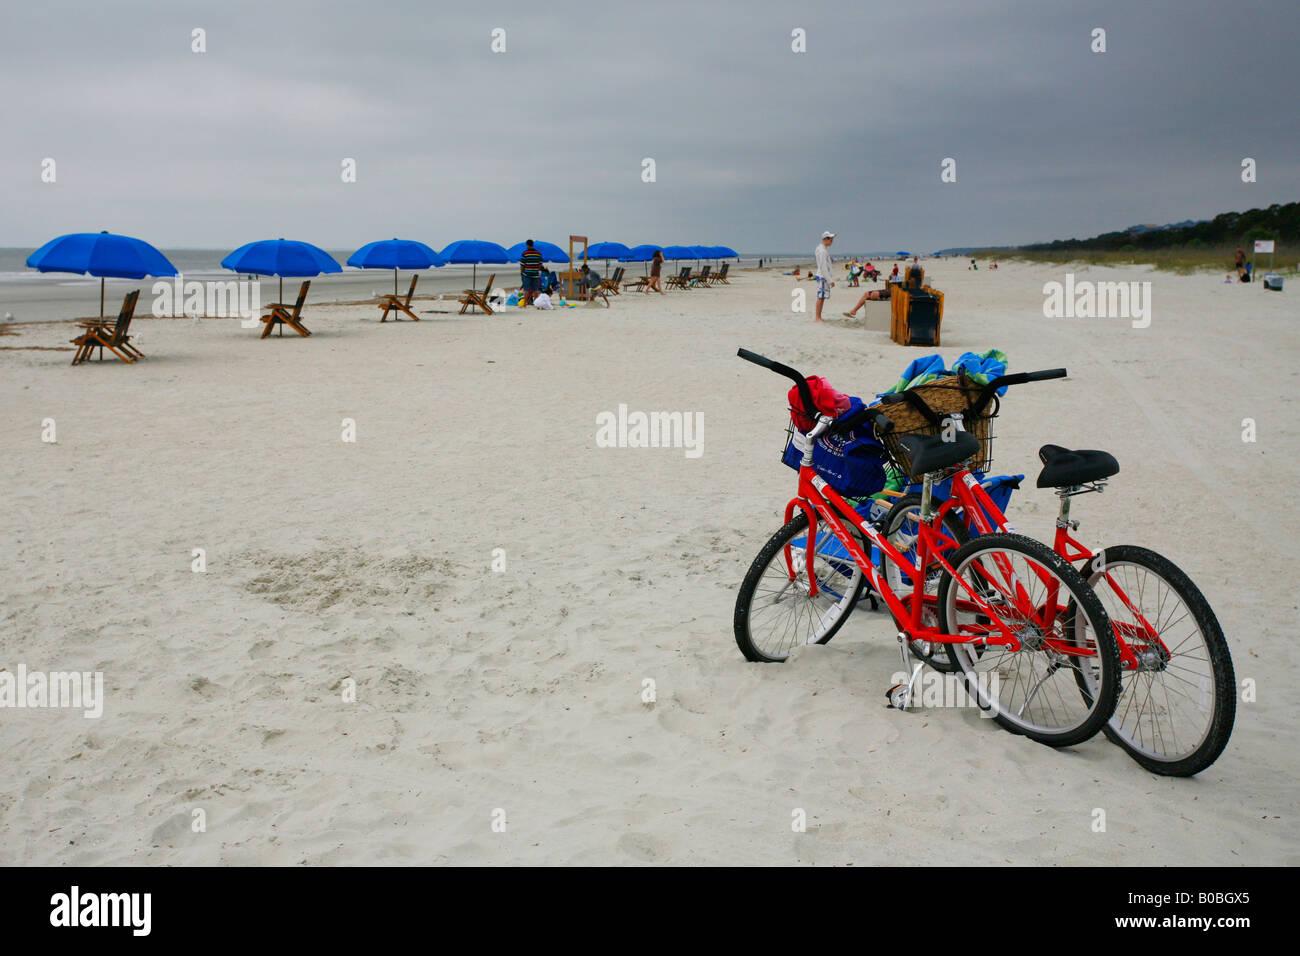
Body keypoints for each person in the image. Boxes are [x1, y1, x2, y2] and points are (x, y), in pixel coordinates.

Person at [814, 230, 835, 322]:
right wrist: (830, 280)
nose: (832, 241)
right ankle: (817, 317)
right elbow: (823, 267)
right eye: (831, 239)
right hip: (823, 276)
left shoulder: (822, 248)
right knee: (821, 296)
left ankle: (818, 317)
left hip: (823, 276)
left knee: (822, 297)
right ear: (826, 239)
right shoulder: (822, 250)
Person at [519, 239, 545, 304]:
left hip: (527, 274)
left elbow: (522, 265)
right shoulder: (538, 254)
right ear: (532, 245)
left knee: (526, 289)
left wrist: (522, 273)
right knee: (536, 290)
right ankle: (536, 303)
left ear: (527, 245)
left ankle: (525, 304)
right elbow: (540, 265)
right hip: (535, 274)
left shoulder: (525, 253)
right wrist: (536, 269)